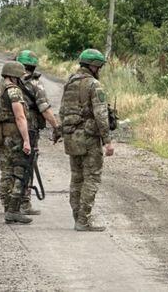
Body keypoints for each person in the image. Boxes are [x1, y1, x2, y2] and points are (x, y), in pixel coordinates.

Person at [59, 48, 115, 232]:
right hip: (89, 139)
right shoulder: (93, 85)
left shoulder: (69, 82)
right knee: (92, 178)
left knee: (76, 178)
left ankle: (77, 217)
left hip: (71, 137)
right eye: (99, 66)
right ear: (93, 66)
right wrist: (107, 141)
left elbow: (62, 111)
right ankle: (83, 220)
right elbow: (101, 114)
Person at [15, 49, 61, 216]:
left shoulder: (7, 82)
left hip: (9, 130)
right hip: (30, 129)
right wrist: (56, 127)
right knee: (27, 164)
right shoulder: (34, 84)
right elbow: (45, 109)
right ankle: (24, 203)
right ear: (33, 67)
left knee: (11, 164)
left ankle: (9, 201)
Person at [0, 61, 33, 224]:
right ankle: (13, 210)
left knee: (5, 173)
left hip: (0, 136)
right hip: (13, 137)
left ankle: (7, 208)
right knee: (18, 173)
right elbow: (20, 117)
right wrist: (26, 140)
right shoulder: (14, 91)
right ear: (14, 76)